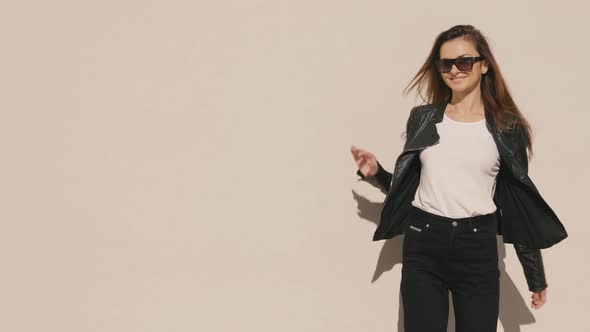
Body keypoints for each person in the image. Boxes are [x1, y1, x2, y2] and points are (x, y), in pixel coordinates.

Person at [350, 25, 567, 332]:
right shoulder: (422, 118)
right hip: (424, 243)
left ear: (484, 65)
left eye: (464, 61)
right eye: (445, 64)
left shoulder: (507, 128)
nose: (454, 70)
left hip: (477, 248)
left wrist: (535, 275)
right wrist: (376, 174)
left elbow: (519, 202)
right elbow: (412, 186)